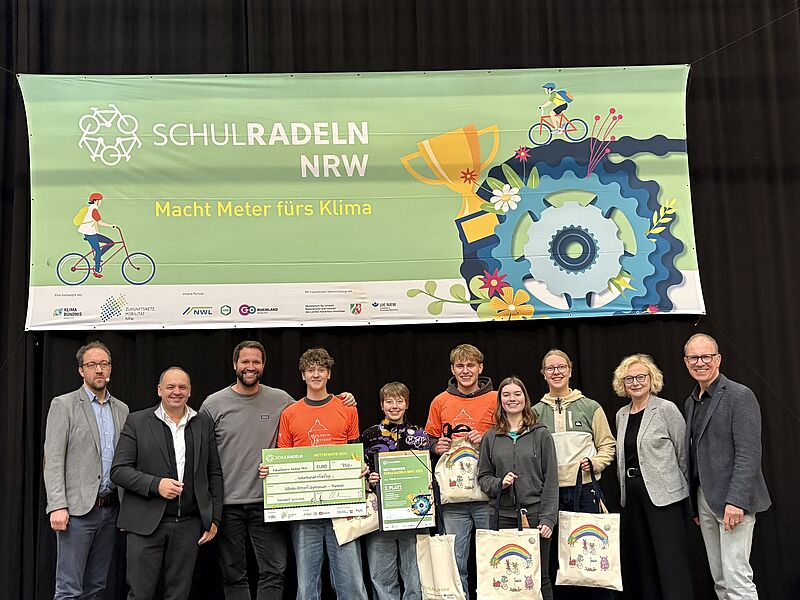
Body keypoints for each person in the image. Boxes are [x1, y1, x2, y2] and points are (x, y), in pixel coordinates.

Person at [110, 367, 223, 600]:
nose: (176, 392)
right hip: (144, 524)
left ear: (190, 391)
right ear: (159, 390)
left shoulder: (203, 422)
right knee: (140, 594)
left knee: (179, 595)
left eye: (182, 387)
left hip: (188, 525)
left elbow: (214, 472)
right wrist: (155, 484)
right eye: (170, 387)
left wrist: (215, 517)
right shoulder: (137, 421)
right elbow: (119, 471)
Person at [683, 333, 771, 599]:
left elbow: (749, 453)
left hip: (733, 501)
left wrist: (736, 501)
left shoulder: (739, 395)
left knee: (737, 580)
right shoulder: (691, 401)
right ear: (686, 362)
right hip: (705, 501)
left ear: (718, 359)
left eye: (706, 356)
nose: (700, 362)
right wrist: (696, 505)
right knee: (720, 580)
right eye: (693, 358)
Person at [276, 347, 369, 600]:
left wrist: (361, 467)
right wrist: (271, 472)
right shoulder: (290, 413)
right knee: (307, 587)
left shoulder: (347, 408)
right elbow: (283, 461)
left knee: (352, 584)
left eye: (321, 369)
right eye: (310, 370)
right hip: (304, 510)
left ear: (329, 374)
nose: (316, 374)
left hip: (342, 507)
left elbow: (355, 451)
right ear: (303, 375)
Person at [43, 341, 130, 600]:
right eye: (91, 365)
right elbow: (53, 459)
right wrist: (57, 505)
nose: (98, 370)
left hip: (110, 509)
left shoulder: (122, 409)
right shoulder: (64, 405)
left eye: (104, 364)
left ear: (110, 368)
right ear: (81, 370)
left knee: (97, 587)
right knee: (68, 589)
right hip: (76, 512)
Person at [532, 348, 615, 600]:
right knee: (557, 563)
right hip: (549, 497)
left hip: (586, 492)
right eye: (550, 368)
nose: (556, 372)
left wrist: (595, 463)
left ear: (570, 370)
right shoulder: (534, 413)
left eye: (561, 367)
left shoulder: (591, 407)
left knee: (591, 557)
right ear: (543, 374)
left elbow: (607, 445)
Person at [612, 354, 693, 600]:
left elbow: (683, 454)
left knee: (671, 561)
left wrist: (685, 492)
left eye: (641, 377)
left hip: (664, 497)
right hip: (633, 497)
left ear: (651, 378)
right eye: (629, 379)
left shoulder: (666, 409)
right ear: (622, 384)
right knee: (644, 562)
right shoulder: (621, 415)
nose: (635, 383)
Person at [424, 343, 497, 600]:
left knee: (493, 559)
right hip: (453, 498)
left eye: (470, 365)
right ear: (453, 370)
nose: (465, 371)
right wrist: (436, 446)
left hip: (487, 495)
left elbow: (511, 434)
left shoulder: (497, 398)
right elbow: (428, 438)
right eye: (460, 366)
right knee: (455, 564)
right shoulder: (440, 401)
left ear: (480, 368)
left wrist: (487, 437)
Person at [477, 376, 559, 600]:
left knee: (539, 577)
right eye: (506, 395)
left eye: (517, 394)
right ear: (500, 401)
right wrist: (500, 483)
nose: (512, 399)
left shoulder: (541, 434)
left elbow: (551, 479)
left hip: (534, 516)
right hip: (500, 517)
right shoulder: (490, 437)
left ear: (525, 398)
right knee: (504, 577)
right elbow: (483, 477)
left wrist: (548, 519)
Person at [362, 382, 430, 600]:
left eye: (399, 401)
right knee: (381, 576)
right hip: (381, 515)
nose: (394, 406)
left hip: (415, 515)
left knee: (415, 576)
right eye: (389, 401)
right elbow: (362, 472)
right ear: (382, 405)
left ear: (407, 404)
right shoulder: (370, 435)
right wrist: (370, 480)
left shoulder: (420, 435)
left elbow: (429, 471)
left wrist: (429, 483)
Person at [76, 192, 116, 278]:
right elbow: (100, 222)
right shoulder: (94, 210)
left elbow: (95, 222)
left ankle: (97, 257)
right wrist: (111, 225)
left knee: (110, 243)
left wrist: (97, 233)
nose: (101, 202)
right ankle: (96, 271)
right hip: (89, 233)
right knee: (97, 251)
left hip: (91, 232)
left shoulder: (91, 209)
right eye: (100, 200)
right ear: (96, 201)